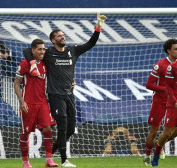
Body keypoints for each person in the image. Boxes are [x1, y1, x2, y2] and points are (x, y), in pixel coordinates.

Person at [23, 13, 107, 167]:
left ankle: (50, 155)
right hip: (55, 95)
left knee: (70, 129)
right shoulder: (48, 53)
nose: (62, 37)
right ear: (53, 40)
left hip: (69, 94)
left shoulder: (72, 51)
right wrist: (34, 63)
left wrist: (99, 26)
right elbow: (27, 51)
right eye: (59, 36)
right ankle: (64, 161)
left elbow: (91, 43)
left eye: (63, 35)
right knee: (62, 127)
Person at [14, 39, 58, 168]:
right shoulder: (24, 63)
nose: (42, 51)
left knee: (47, 128)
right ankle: (25, 162)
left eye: (44, 49)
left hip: (42, 102)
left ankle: (49, 160)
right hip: (28, 103)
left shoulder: (45, 63)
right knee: (25, 133)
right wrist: (21, 101)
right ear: (33, 50)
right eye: (39, 49)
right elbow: (16, 83)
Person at [144, 38, 177, 166]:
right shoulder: (160, 65)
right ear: (168, 51)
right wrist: (164, 89)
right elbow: (149, 84)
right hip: (159, 101)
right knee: (154, 130)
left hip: (174, 102)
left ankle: (159, 144)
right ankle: (147, 155)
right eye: (176, 49)